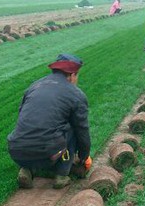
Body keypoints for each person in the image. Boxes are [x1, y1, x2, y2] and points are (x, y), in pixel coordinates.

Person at [7, 54, 92, 190]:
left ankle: (26, 169)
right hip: (48, 153)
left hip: (16, 151)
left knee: (32, 128)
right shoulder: (76, 94)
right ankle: (62, 175)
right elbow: (82, 130)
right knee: (72, 128)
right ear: (72, 75)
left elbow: (21, 114)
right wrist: (84, 156)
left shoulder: (34, 86)